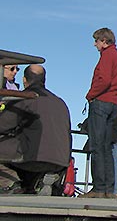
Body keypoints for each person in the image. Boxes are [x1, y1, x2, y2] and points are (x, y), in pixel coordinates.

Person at [0, 65, 71, 194]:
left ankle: (11, 183)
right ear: (44, 80)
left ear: (24, 80)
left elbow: (3, 124)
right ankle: (40, 181)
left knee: (19, 147)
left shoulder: (25, 98)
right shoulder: (60, 102)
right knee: (31, 143)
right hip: (61, 160)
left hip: (35, 156)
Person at [83, 28, 117, 199]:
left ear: (103, 40)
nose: (95, 44)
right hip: (114, 103)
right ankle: (109, 188)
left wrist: (90, 95)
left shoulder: (107, 56)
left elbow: (104, 80)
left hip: (101, 102)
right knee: (107, 147)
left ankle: (99, 188)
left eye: (96, 41)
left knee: (97, 145)